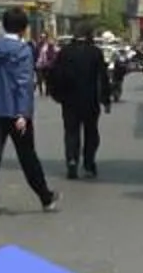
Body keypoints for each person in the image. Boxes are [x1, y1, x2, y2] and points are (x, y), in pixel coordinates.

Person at [0, 6, 57, 219]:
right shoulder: (22, 51)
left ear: (4, 25)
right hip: (16, 113)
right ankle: (45, 197)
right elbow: (24, 83)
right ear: (24, 28)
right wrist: (22, 113)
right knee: (28, 157)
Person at [48, 26, 112, 178]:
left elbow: (55, 75)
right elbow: (102, 77)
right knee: (91, 132)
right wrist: (105, 99)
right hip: (90, 100)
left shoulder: (65, 52)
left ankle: (71, 160)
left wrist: (57, 95)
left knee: (71, 132)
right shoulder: (95, 52)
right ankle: (89, 162)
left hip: (69, 101)